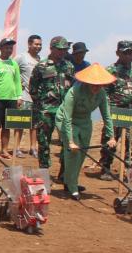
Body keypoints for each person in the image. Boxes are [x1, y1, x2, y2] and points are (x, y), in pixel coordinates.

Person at [55, 64, 117, 200]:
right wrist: (70, 141)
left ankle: (71, 180)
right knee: (73, 152)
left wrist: (111, 136)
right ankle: (72, 186)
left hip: (84, 122)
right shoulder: (74, 92)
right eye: (93, 84)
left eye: (99, 85)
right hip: (67, 120)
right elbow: (67, 117)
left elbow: (107, 116)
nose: (96, 87)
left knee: (82, 152)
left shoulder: (101, 94)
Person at [99, 40, 132, 179]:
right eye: (125, 52)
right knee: (110, 140)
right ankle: (106, 168)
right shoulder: (110, 70)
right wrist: (107, 111)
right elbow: (103, 93)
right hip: (115, 110)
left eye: (130, 52)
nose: (128, 55)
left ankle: (131, 171)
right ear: (118, 53)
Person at [29, 36, 75, 176]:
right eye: (59, 49)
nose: (62, 52)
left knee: (67, 142)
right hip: (46, 110)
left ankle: (64, 173)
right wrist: (41, 105)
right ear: (52, 48)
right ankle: (44, 172)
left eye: (64, 50)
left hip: (64, 111)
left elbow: (72, 88)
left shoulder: (69, 66)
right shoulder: (41, 66)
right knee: (43, 142)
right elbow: (33, 88)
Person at [0, 38, 22, 158]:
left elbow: (17, 81)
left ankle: (4, 150)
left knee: (7, 126)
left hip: (12, 99)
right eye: (6, 47)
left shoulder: (14, 64)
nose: (9, 50)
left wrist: (19, 96)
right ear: (0, 49)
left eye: (10, 48)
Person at [17, 35, 43, 157]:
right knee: (21, 123)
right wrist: (18, 86)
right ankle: (17, 148)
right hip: (24, 96)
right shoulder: (21, 57)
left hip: (37, 98)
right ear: (29, 44)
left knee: (34, 125)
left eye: (40, 44)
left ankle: (33, 148)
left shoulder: (41, 60)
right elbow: (13, 70)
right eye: (36, 44)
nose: (38, 46)